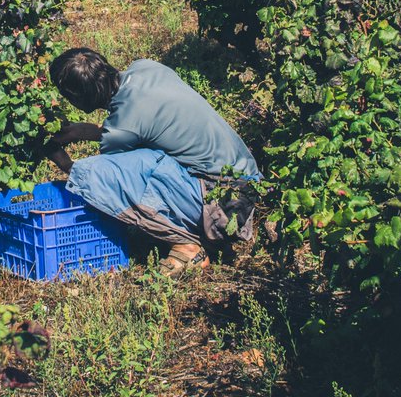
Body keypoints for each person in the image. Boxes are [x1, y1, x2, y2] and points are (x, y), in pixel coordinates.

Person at [42, 48, 261, 276]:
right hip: (246, 187)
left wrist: (65, 163)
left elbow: (116, 164)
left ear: (77, 96)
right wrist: (79, 132)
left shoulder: (122, 130)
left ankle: (187, 245)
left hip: (221, 209)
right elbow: (144, 126)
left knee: (96, 171)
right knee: (145, 157)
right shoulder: (145, 67)